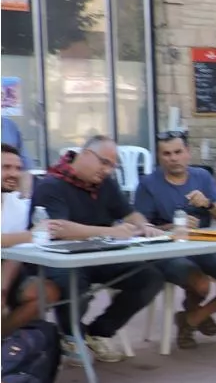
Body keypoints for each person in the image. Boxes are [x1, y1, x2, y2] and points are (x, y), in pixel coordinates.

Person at [25, 136, 167, 362]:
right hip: (59, 258)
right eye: (104, 162)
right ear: (86, 154)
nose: (107, 170)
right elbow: (58, 229)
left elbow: (128, 213)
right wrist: (111, 232)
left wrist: (145, 226)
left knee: (150, 278)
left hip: (100, 254)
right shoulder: (52, 184)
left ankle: (98, 332)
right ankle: (71, 335)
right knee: (75, 284)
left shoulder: (105, 184)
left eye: (112, 166)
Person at [133, 132, 216, 348]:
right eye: (167, 154)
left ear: (188, 153)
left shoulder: (202, 176)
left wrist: (208, 204)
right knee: (200, 284)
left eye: (178, 152)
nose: (173, 158)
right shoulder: (148, 184)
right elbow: (139, 228)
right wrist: (172, 227)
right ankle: (192, 318)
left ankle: (193, 317)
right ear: (159, 157)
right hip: (167, 251)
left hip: (204, 246)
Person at [0, 143, 55, 339]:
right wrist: (30, 235)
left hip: (9, 270)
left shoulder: (17, 204)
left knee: (47, 292)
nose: (14, 174)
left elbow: (19, 248)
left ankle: (4, 338)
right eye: (6, 167)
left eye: (18, 168)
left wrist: (3, 286)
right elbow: (29, 236)